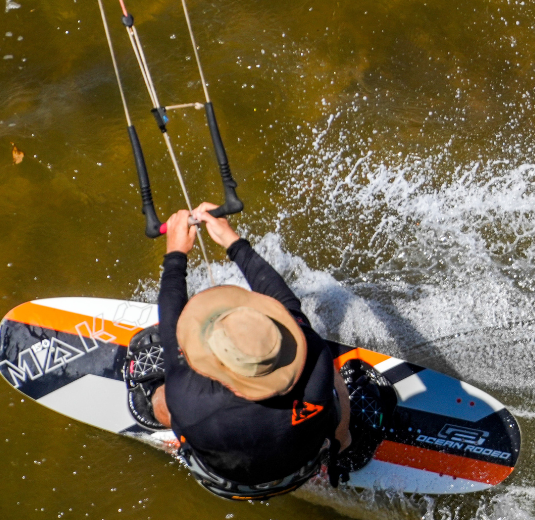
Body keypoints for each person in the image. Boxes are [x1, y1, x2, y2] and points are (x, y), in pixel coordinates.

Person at [126, 202, 373, 500]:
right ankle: (343, 446)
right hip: (302, 470)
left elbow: (170, 328)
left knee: (163, 398)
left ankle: (149, 405)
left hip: (224, 484)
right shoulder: (315, 358)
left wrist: (176, 254)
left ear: (220, 363)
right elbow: (284, 299)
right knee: (332, 379)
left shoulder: (189, 398)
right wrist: (233, 241)